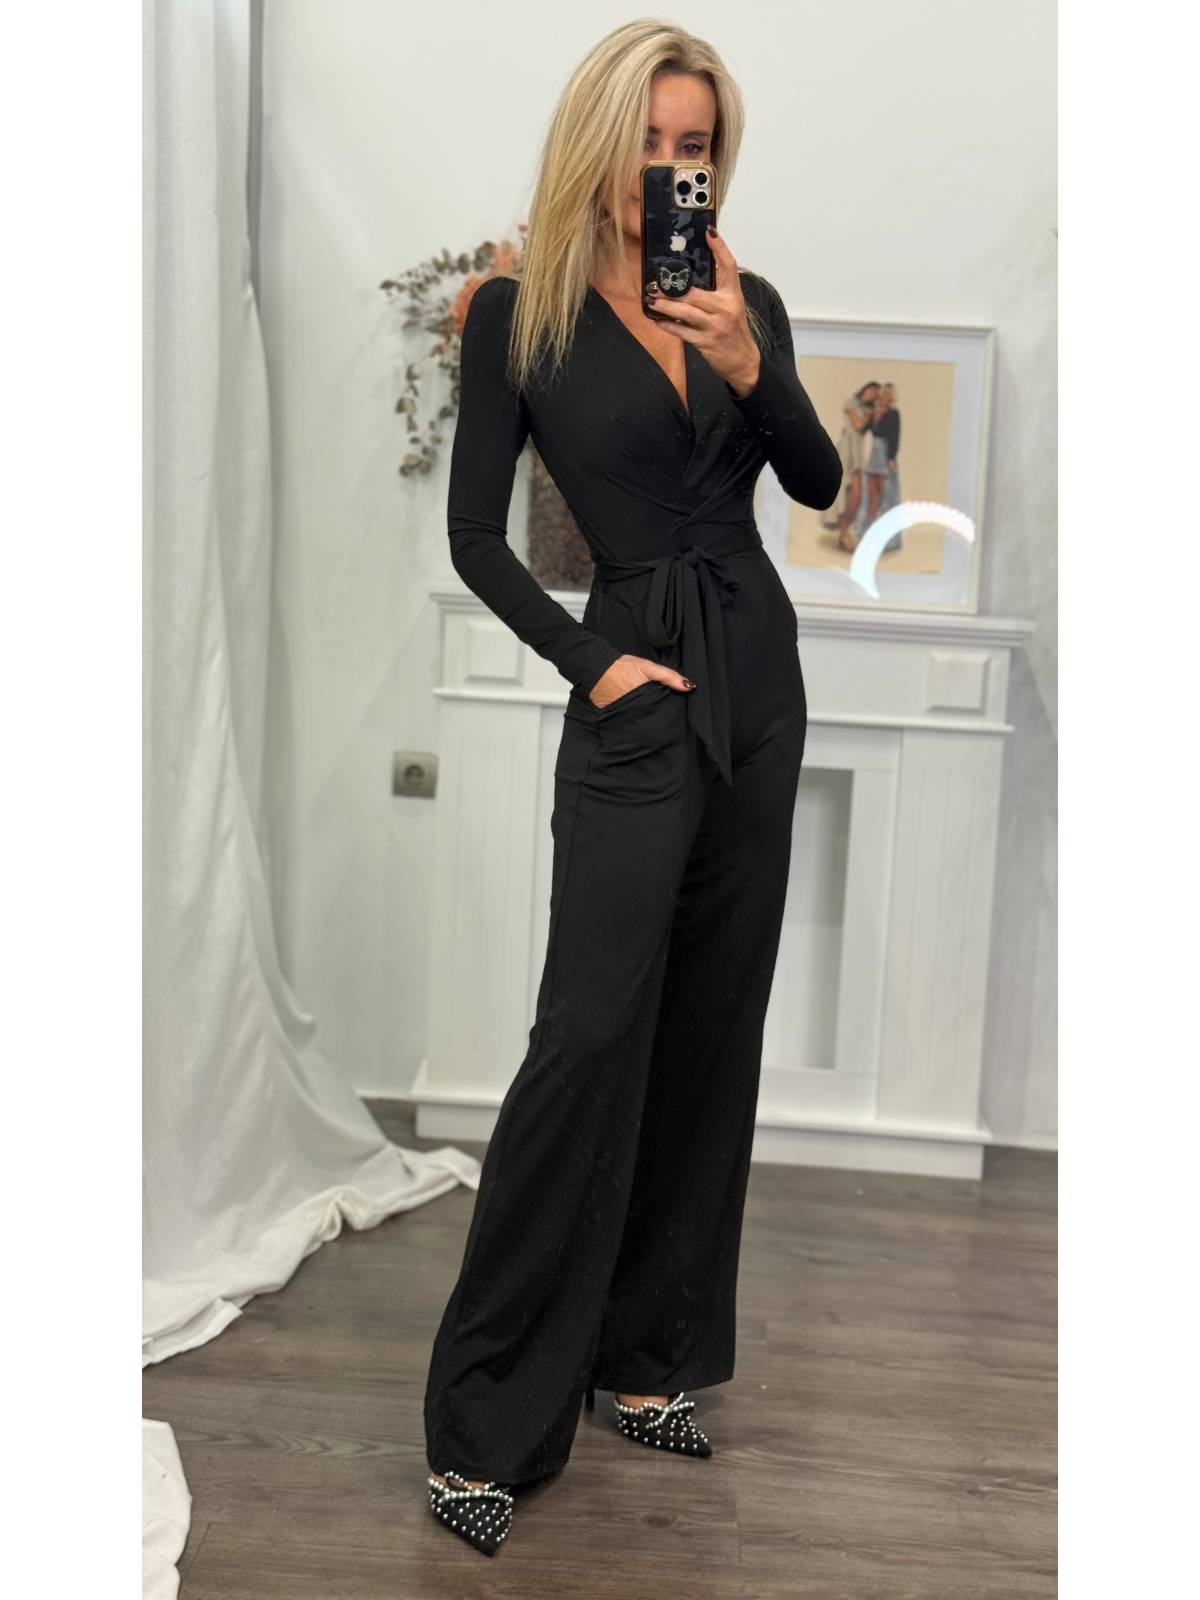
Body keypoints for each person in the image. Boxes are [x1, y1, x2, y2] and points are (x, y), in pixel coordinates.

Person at [422, 19, 842, 1556]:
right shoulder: (514, 312)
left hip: (758, 682)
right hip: (631, 685)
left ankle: (649, 1358)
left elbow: (819, 485)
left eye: (697, 146)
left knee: (713, 1026)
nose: (675, 168)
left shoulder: (748, 301)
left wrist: (749, 366)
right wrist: (587, 663)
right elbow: (476, 535)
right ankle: (483, 1426)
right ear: (600, 143)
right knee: (586, 1035)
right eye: (654, 142)